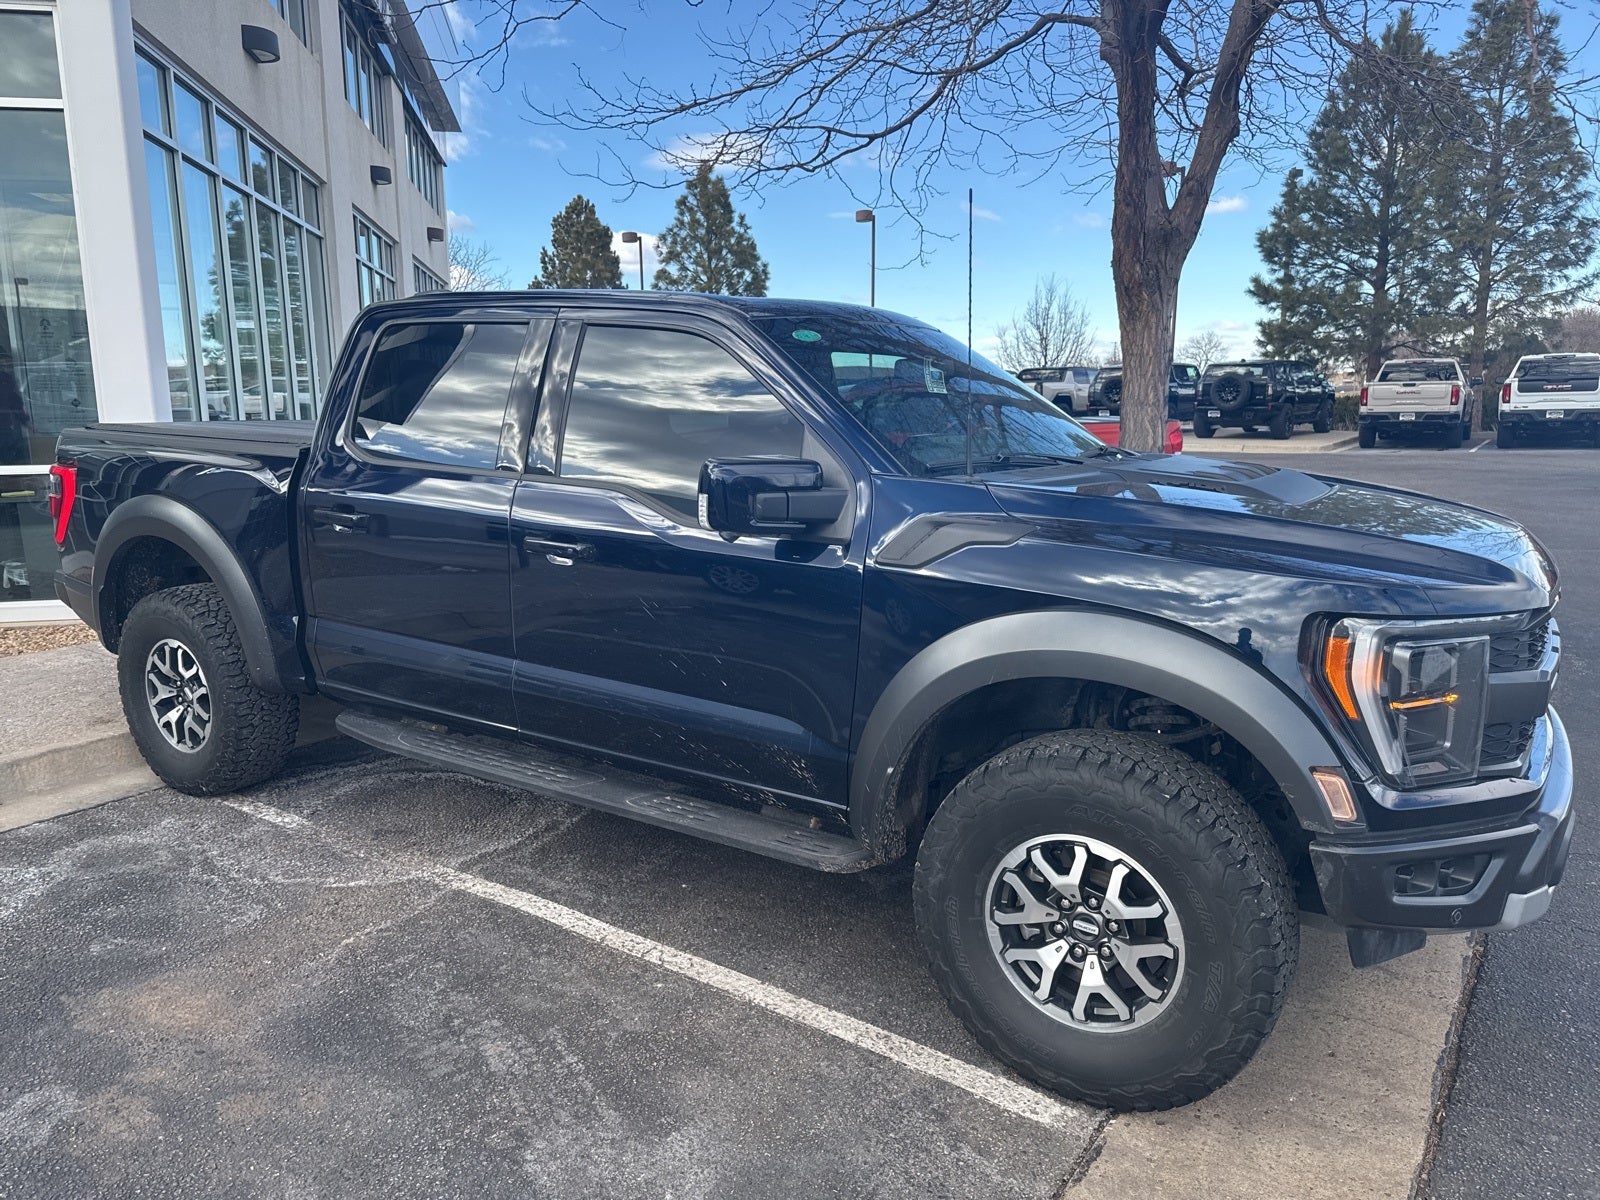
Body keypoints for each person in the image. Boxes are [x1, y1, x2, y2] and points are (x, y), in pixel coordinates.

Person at [0, 350, 31, 465]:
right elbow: (14, 402)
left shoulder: (6, 380)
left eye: (9, 364)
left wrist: (25, 421)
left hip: (5, 427)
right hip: (4, 428)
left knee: (9, 459)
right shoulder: (6, 380)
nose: (7, 366)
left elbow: (14, 402)